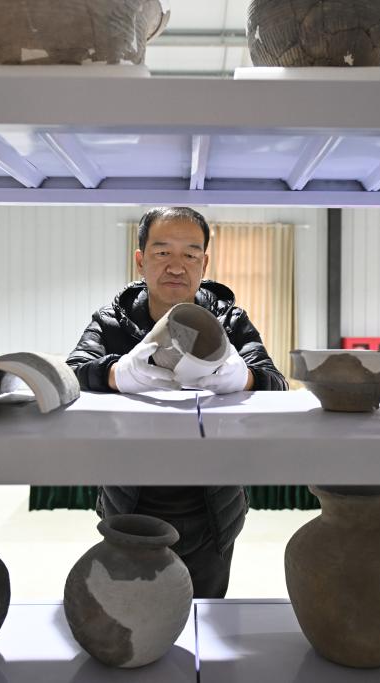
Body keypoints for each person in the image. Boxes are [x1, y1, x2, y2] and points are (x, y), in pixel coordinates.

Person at [67, 206, 288, 598]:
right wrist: (119, 373)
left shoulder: (230, 320)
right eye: (162, 252)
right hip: (131, 498)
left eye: (189, 254)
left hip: (213, 504)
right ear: (140, 260)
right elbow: (71, 374)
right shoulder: (112, 320)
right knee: (133, 609)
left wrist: (242, 378)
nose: (176, 266)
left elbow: (276, 383)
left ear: (204, 263)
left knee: (204, 610)